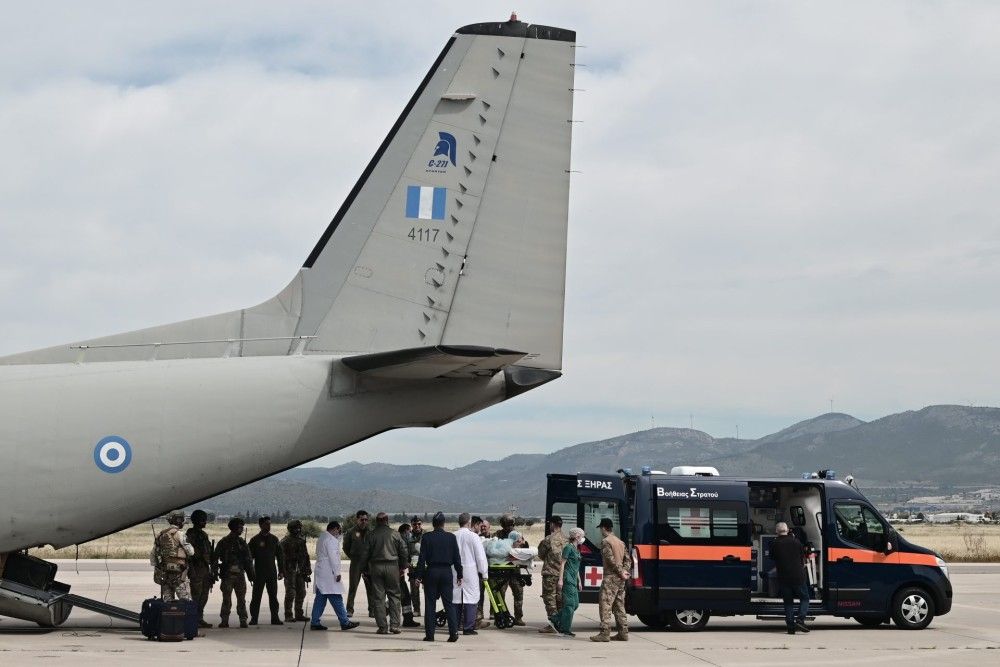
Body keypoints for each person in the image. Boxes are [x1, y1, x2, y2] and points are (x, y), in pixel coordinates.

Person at [415, 512, 462, 642]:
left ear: (433, 524)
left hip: (431, 571)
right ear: (443, 524)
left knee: (430, 605)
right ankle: (453, 633)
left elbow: (421, 559)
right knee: (449, 604)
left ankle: (430, 635)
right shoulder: (451, 537)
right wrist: (460, 574)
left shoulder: (427, 537)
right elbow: (457, 558)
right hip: (446, 572)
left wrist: (418, 576)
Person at [310, 521, 360, 631]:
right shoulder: (331, 540)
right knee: (336, 597)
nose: (339, 533)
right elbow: (333, 558)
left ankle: (314, 622)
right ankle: (344, 622)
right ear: (334, 529)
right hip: (329, 573)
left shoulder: (323, 537)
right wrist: (337, 573)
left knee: (320, 598)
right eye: (338, 530)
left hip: (322, 572)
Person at [366, 512, 409, 634]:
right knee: (394, 595)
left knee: (378, 598)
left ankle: (382, 627)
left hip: (376, 567)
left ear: (377, 521)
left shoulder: (371, 535)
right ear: (387, 520)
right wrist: (403, 566)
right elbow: (404, 551)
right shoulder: (395, 534)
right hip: (392, 567)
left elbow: (365, 553)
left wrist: (365, 569)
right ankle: (394, 625)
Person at [590, 518, 631, 642]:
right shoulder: (620, 542)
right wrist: (624, 572)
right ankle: (623, 632)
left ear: (603, 528)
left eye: (601, 528)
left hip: (611, 577)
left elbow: (610, 560)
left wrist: (619, 572)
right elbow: (627, 560)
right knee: (619, 605)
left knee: (605, 605)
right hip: (620, 579)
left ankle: (604, 633)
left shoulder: (606, 541)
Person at [771, 521, 811, 635]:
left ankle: (790, 628)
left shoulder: (774, 543)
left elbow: (772, 557)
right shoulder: (796, 542)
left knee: (788, 602)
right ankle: (800, 619)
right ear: (787, 530)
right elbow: (802, 557)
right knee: (805, 598)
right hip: (798, 576)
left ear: (776, 532)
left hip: (783, 577)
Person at [215, 517, 253, 628]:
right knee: (230, 599)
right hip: (228, 574)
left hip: (238, 574)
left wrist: (251, 575)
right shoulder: (224, 542)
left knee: (238, 599)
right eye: (240, 527)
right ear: (235, 528)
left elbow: (248, 560)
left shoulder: (241, 542)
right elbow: (215, 558)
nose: (242, 529)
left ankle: (236, 620)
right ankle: (231, 620)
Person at [454, 513, 488, 635]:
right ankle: (468, 627)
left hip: (455, 571)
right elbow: (480, 557)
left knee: (456, 598)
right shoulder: (473, 537)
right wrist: (484, 573)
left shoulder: (453, 536)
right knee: (471, 599)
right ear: (469, 523)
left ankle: (455, 625)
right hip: (470, 572)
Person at [248, 516, 285, 625]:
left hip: (271, 572)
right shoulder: (254, 540)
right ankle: (254, 618)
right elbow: (249, 558)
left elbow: (280, 556)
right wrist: (251, 573)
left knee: (273, 596)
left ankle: (275, 618)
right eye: (266, 524)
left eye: (269, 524)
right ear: (260, 525)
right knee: (256, 597)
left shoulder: (274, 539)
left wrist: (281, 571)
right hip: (259, 573)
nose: (268, 526)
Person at [152, 510, 195, 602]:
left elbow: (153, 556)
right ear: (179, 520)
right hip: (179, 573)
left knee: (168, 602)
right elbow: (191, 552)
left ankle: (169, 616)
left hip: (165, 573)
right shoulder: (180, 534)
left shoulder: (160, 535)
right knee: (186, 601)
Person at [492, 515, 527, 626]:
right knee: (500, 594)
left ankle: (518, 617)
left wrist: (523, 543)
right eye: (508, 525)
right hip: (502, 570)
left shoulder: (518, 535)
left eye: (512, 525)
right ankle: (501, 616)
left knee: (518, 594)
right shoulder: (497, 535)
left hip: (515, 570)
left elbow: (525, 548)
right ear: (503, 525)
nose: (510, 527)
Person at [550, 527, 584, 638]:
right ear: (577, 536)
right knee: (569, 605)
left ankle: (555, 618)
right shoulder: (568, 548)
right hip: (568, 579)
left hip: (574, 580)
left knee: (575, 604)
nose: (582, 538)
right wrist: (560, 580)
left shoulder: (576, 549)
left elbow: (576, 566)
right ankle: (565, 630)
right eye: (581, 536)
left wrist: (579, 581)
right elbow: (563, 564)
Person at [536, 515, 567, 633]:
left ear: (553, 525)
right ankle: (561, 622)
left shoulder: (548, 539)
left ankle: (553, 624)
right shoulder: (567, 539)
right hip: (562, 574)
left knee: (549, 599)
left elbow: (541, 555)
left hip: (550, 574)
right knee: (560, 599)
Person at [186, 509, 216, 628]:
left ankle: (199, 618)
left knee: (204, 595)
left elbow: (208, 551)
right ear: (197, 521)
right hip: (196, 569)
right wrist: (191, 571)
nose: (205, 522)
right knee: (195, 595)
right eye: (203, 520)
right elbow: (189, 555)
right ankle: (193, 619)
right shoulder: (190, 535)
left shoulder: (203, 535)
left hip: (204, 569)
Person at [279, 519, 312, 622]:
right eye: (296, 528)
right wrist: (281, 571)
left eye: (299, 528)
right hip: (289, 571)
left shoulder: (301, 541)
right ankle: (288, 615)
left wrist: (308, 570)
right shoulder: (284, 542)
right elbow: (281, 558)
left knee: (301, 592)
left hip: (300, 571)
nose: (298, 530)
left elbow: (306, 556)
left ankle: (299, 614)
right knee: (290, 593)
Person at [343, 510, 373, 617]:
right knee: (353, 587)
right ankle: (349, 609)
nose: (364, 521)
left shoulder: (371, 532)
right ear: (357, 519)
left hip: (368, 564)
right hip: (356, 564)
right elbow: (346, 547)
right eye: (362, 519)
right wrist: (353, 557)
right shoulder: (351, 532)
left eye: (366, 519)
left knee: (370, 588)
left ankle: (372, 610)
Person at [397, 524, 421, 627]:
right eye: (409, 531)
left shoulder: (399, 540)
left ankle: (407, 619)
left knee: (402, 596)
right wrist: (408, 564)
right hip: (396, 573)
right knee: (403, 596)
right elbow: (403, 557)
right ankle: (384, 610)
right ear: (405, 532)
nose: (410, 534)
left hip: (398, 573)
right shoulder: (400, 542)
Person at [406, 516, 424, 617]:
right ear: (412, 525)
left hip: (425, 566)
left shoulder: (426, 535)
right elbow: (406, 551)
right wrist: (407, 563)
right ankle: (416, 609)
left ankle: (429, 609)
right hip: (413, 566)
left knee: (428, 589)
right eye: (414, 524)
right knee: (414, 590)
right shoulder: (408, 537)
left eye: (419, 524)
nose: (417, 526)